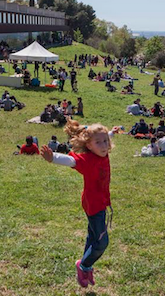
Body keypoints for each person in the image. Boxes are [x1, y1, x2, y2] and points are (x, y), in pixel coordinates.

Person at [39, 119, 118, 288]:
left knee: (93, 236)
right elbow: (71, 161)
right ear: (88, 146)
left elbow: (103, 137)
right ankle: (83, 265)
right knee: (102, 242)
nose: (104, 145)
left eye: (106, 141)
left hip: (99, 203)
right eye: (99, 142)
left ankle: (86, 266)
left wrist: (111, 132)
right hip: (94, 205)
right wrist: (53, 158)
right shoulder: (88, 160)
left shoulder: (102, 151)